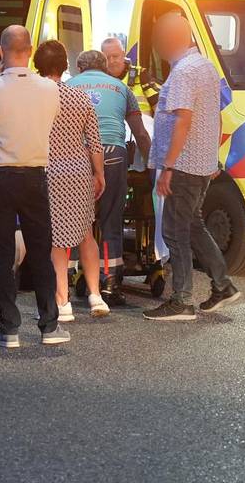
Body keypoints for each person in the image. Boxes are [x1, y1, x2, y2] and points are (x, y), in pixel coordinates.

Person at [0, 25, 67, 348]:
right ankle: (49, 326)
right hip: (35, 175)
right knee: (41, 251)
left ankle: (9, 328)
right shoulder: (50, 90)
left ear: (1, 51)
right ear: (30, 51)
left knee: (1, 253)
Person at [144, 13, 240, 321]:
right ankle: (222, 286)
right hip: (199, 163)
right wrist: (213, 157)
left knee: (175, 231)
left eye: (159, 39)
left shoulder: (185, 71)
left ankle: (181, 300)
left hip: (183, 165)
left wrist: (168, 166)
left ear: (168, 40)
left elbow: (184, 120)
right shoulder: (206, 66)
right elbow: (216, 115)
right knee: (194, 226)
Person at [67, 49, 152, 309]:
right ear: (105, 68)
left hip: (77, 155)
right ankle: (110, 284)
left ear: (80, 68)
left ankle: (66, 282)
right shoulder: (121, 88)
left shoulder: (68, 86)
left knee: (72, 222)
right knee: (111, 220)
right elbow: (140, 132)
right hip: (113, 155)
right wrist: (150, 166)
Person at [33, 41, 105, 323]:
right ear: (65, 66)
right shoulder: (80, 98)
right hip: (79, 171)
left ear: (38, 65)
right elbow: (95, 142)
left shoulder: (37, 98)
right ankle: (96, 295)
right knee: (86, 232)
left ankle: (62, 301)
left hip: (49, 171)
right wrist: (98, 174)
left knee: (57, 238)